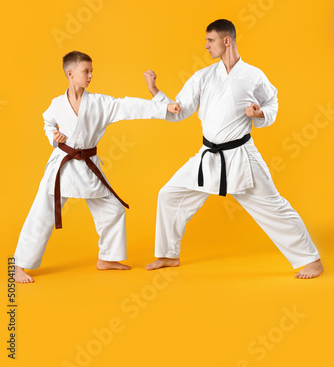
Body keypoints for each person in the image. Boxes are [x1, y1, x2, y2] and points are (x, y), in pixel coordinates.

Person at [143, 19, 324, 279]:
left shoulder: (253, 75)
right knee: (170, 194)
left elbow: (272, 102)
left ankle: (311, 260)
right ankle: (168, 254)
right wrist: (156, 92)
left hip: (241, 156)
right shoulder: (203, 76)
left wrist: (260, 113)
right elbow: (178, 110)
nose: (206, 46)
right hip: (208, 156)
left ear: (227, 41)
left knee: (274, 206)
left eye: (210, 40)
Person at [14, 50, 180, 283]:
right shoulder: (57, 104)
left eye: (92, 71)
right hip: (62, 167)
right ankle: (20, 265)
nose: (91, 75)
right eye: (86, 71)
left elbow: (128, 106)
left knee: (113, 209)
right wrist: (54, 135)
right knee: (41, 214)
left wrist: (163, 108)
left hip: (88, 165)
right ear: (70, 74)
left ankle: (107, 258)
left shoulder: (100, 103)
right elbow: (47, 122)